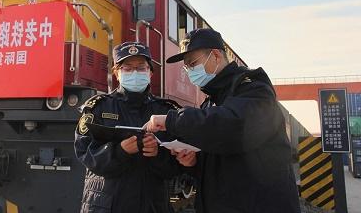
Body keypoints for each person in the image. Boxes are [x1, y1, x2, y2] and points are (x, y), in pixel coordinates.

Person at [145, 28, 301, 213]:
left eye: (193, 63)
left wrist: (172, 120)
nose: (189, 72)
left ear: (216, 56)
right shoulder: (211, 102)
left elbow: (232, 127)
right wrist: (194, 162)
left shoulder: (254, 90)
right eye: (186, 68)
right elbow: (223, 155)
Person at [74, 41, 180, 213]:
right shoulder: (97, 107)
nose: (135, 73)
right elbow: (84, 153)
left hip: (152, 205)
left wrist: (157, 154)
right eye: (128, 68)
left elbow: (177, 166)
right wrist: (119, 151)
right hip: (105, 206)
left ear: (150, 73)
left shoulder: (166, 111)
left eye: (141, 68)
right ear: (117, 73)